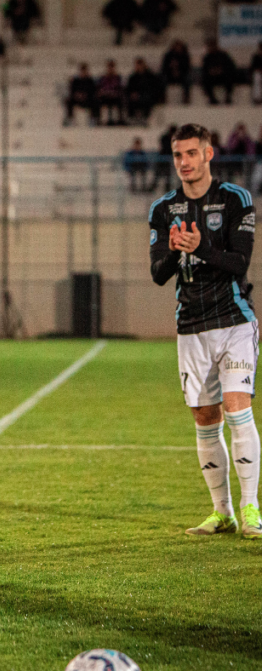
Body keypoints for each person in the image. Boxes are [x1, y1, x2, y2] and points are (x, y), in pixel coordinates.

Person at [148, 123, 261, 540]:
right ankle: (223, 512)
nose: (184, 162)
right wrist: (177, 254)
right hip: (191, 325)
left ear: (209, 154)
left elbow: (239, 263)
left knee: (237, 408)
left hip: (233, 319)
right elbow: (159, 275)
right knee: (205, 417)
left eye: (192, 153)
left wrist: (200, 248)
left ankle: (252, 508)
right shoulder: (163, 209)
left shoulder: (236, 200)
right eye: (178, 155)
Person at [126, 57, 160, 125]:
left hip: (147, 95)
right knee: (130, 101)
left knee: (146, 100)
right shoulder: (133, 77)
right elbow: (129, 88)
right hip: (136, 97)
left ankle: (145, 118)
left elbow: (153, 88)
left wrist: (141, 94)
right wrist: (133, 94)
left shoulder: (150, 76)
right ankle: (132, 118)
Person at [202, 39, 236, 105]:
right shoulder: (207, 57)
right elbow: (205, 69)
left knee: (229, 78)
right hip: (212, 77)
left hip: (222, 76)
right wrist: (212, 71)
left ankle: (228, 97)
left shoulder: (223, 55)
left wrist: (221, 70)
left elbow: (231, 66)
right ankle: (212, 98)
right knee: (206, 80)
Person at [95, 59, 125, 125]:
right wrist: (103, 92)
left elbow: (121, 89)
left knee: (121, 101)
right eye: (109, 67)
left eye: (112, 67)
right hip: (105, 97)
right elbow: (99, 89)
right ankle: (99, 120)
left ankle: (119, 120)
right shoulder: (103, 78)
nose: (110, 69)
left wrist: (114, 93)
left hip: (115, 98)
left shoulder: (118, 78)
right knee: (97, 100)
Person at [161, 39, 191, 104]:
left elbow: (187, 68)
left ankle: (186, 99)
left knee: (187, 81)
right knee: (162, 80)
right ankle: (162, 98)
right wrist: (171, 72)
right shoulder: (168, 56)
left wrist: (179, 72)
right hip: (170, 76)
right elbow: (164, 67)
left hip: (181, 76)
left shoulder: (185, 56)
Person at [149, 124, 176, 192]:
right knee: (157, 173)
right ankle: (153, 186)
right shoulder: (165, 138)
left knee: (168, 174)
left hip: (168, 160)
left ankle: (167, 187)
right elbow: (166, 147)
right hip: (162, 158)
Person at [250, 41, 262, 105]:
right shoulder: (256, 57)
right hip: (259, 74)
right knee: (257, 76)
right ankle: (257, 98)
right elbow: (253, 67)